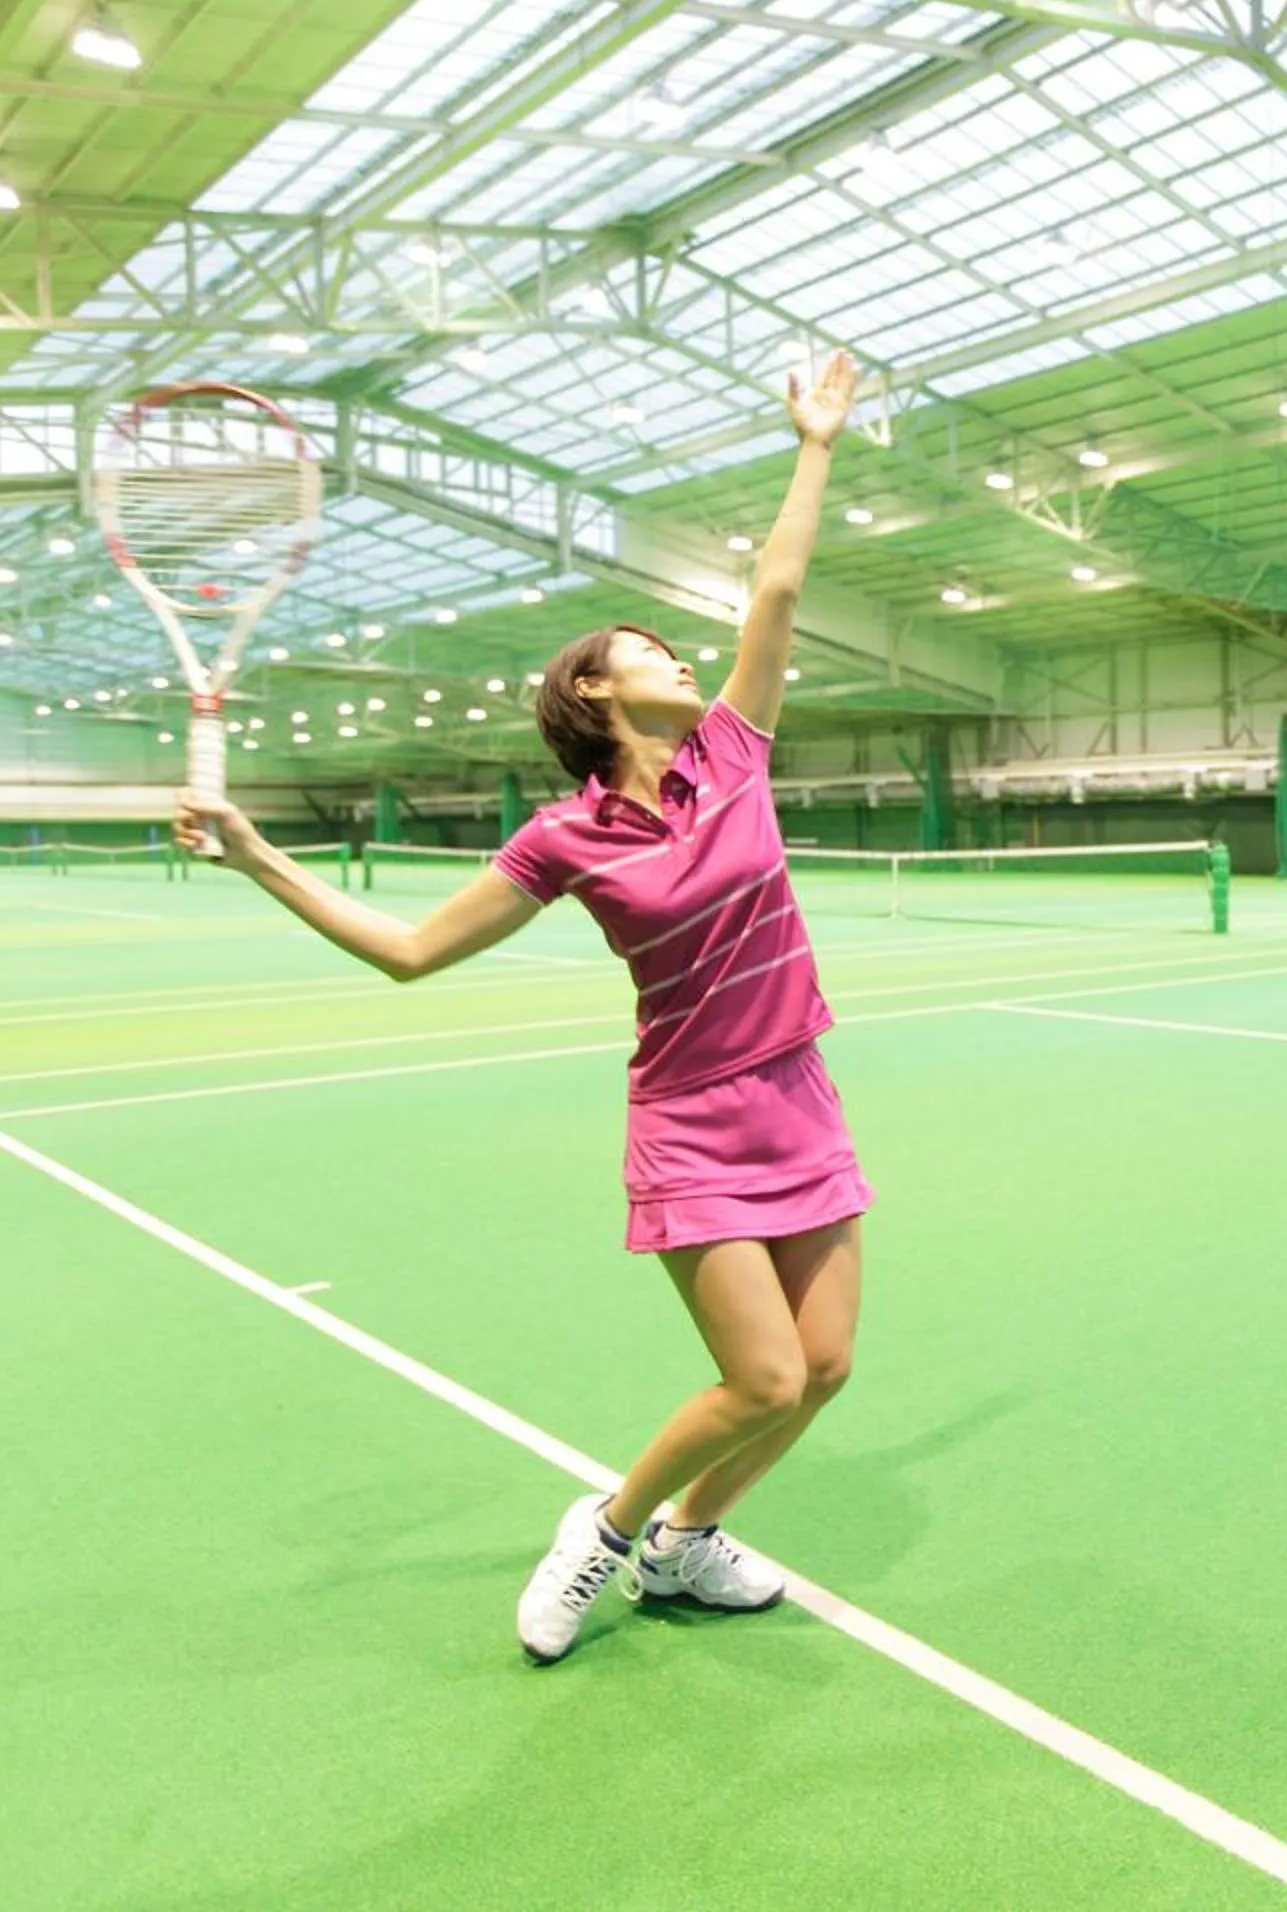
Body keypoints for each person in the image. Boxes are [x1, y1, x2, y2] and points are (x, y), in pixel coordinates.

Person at [174, 354, 870, 1664]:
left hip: (799, 1096)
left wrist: (815, 444)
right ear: (593, 691)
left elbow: (777, 590)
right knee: (763, 1377)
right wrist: (258, 855)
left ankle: (687, 1542)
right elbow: (411, 951)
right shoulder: (563, 837)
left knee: (824, 1368)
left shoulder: (735, 754)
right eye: (648, 649)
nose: (682, 656)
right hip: (693, 1121)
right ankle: (604, 1530)